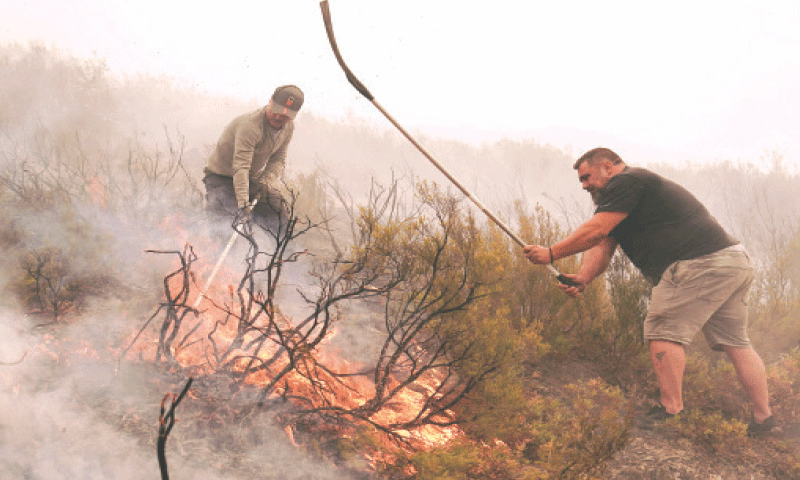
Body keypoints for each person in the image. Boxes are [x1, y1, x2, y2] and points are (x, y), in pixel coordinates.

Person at [523, 147, 779, 436]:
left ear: (607, 166)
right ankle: (764, 419)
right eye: (581, 181)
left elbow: (596, 230)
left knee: (662, 332)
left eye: (586, 177)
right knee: (736, 342)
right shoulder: (624, 197)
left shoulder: (626, 181)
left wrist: (552, 253)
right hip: (732, 261)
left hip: (698, 264)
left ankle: (671, 412)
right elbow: (603, 242)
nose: (584, 186)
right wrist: (583, 277)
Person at [203, 85, 304, 231]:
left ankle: (285, 252)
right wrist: (244, 204)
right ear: (270, 102)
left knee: (278, 215)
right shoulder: (249, 125)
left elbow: (278, 159)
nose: (278, 117)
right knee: (226, 224)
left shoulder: (288, 128)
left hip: (250, 179)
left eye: (285, 115)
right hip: (220, 178)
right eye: (276, 111)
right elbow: (241, 167)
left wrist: (265, 181)